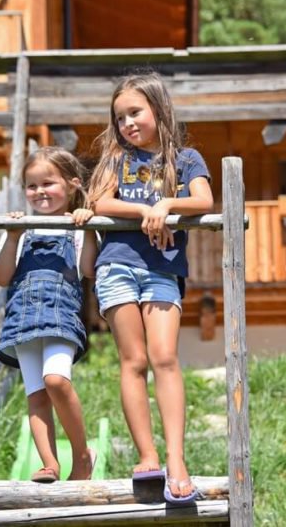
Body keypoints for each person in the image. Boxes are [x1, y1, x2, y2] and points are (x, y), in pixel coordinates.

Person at [87, 71, 214, 503]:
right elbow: (99, 202)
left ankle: (177, 459)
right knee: (133, 360)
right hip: (117, 267)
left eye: (135, 112)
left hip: (163, 269)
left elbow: (203, 201)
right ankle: (147, 456)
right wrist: (147, 213)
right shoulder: (114, 160)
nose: (127, 124)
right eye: (120, 117)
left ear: (158, 110)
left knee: (164, 357)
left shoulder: (187, 159)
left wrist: (167, 203)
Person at [0, 146, 98, 482]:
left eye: (48, 183)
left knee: (56, 380)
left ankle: (82, 455)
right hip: (22, 321)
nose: (39, 192)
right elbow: (2, 277)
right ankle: (50, 464)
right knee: (36, 394)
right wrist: (12, 239)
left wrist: (86, 228)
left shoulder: (77, 227)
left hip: (61, 317)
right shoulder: (20, 230)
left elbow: (88, 270)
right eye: (31, 185)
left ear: (71, 185)